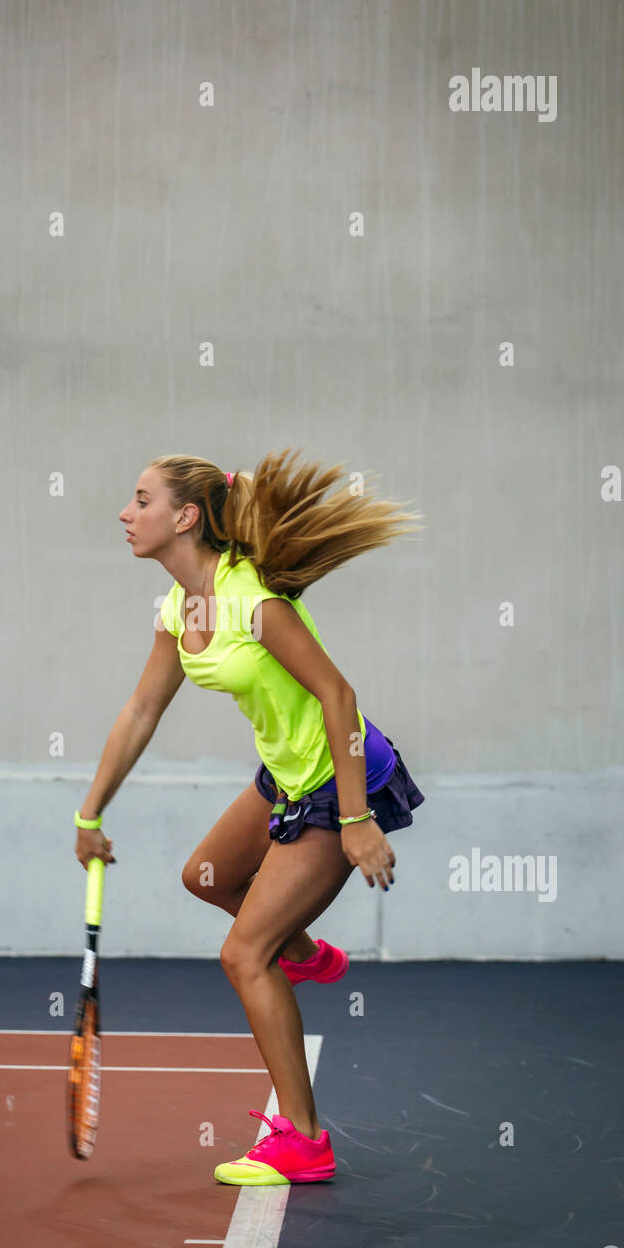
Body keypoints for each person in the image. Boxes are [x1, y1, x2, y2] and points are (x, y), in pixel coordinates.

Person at [74, 448, 425, 1185]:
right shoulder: (181, 607)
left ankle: (304, 1141)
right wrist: (89, 812)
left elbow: (338, 697)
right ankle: (304, 953)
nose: (124, 514)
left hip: (340, 778)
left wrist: (359, 820)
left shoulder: (251, 597)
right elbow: (141, 711)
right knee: (205, 876)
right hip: (289, 777)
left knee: (241, 955)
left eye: (141, 500)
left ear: (186, 517)